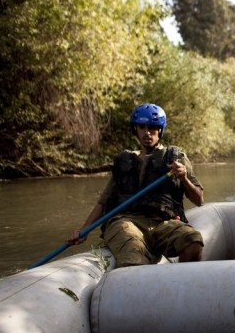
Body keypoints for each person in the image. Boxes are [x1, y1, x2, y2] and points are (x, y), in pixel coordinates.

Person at [66, 103, 205, 267]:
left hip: (164, 223)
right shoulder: (124, 161)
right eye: (142, 127)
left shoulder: (175, 158)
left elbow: (199, 200)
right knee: (134, 258)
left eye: (152, 127)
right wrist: (84, 231)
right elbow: (103, 202)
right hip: (126, 222)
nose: (147, 132)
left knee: (193, 242)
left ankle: (180, 287)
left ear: (160, 130)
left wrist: (184, 179)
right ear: (135, 130)